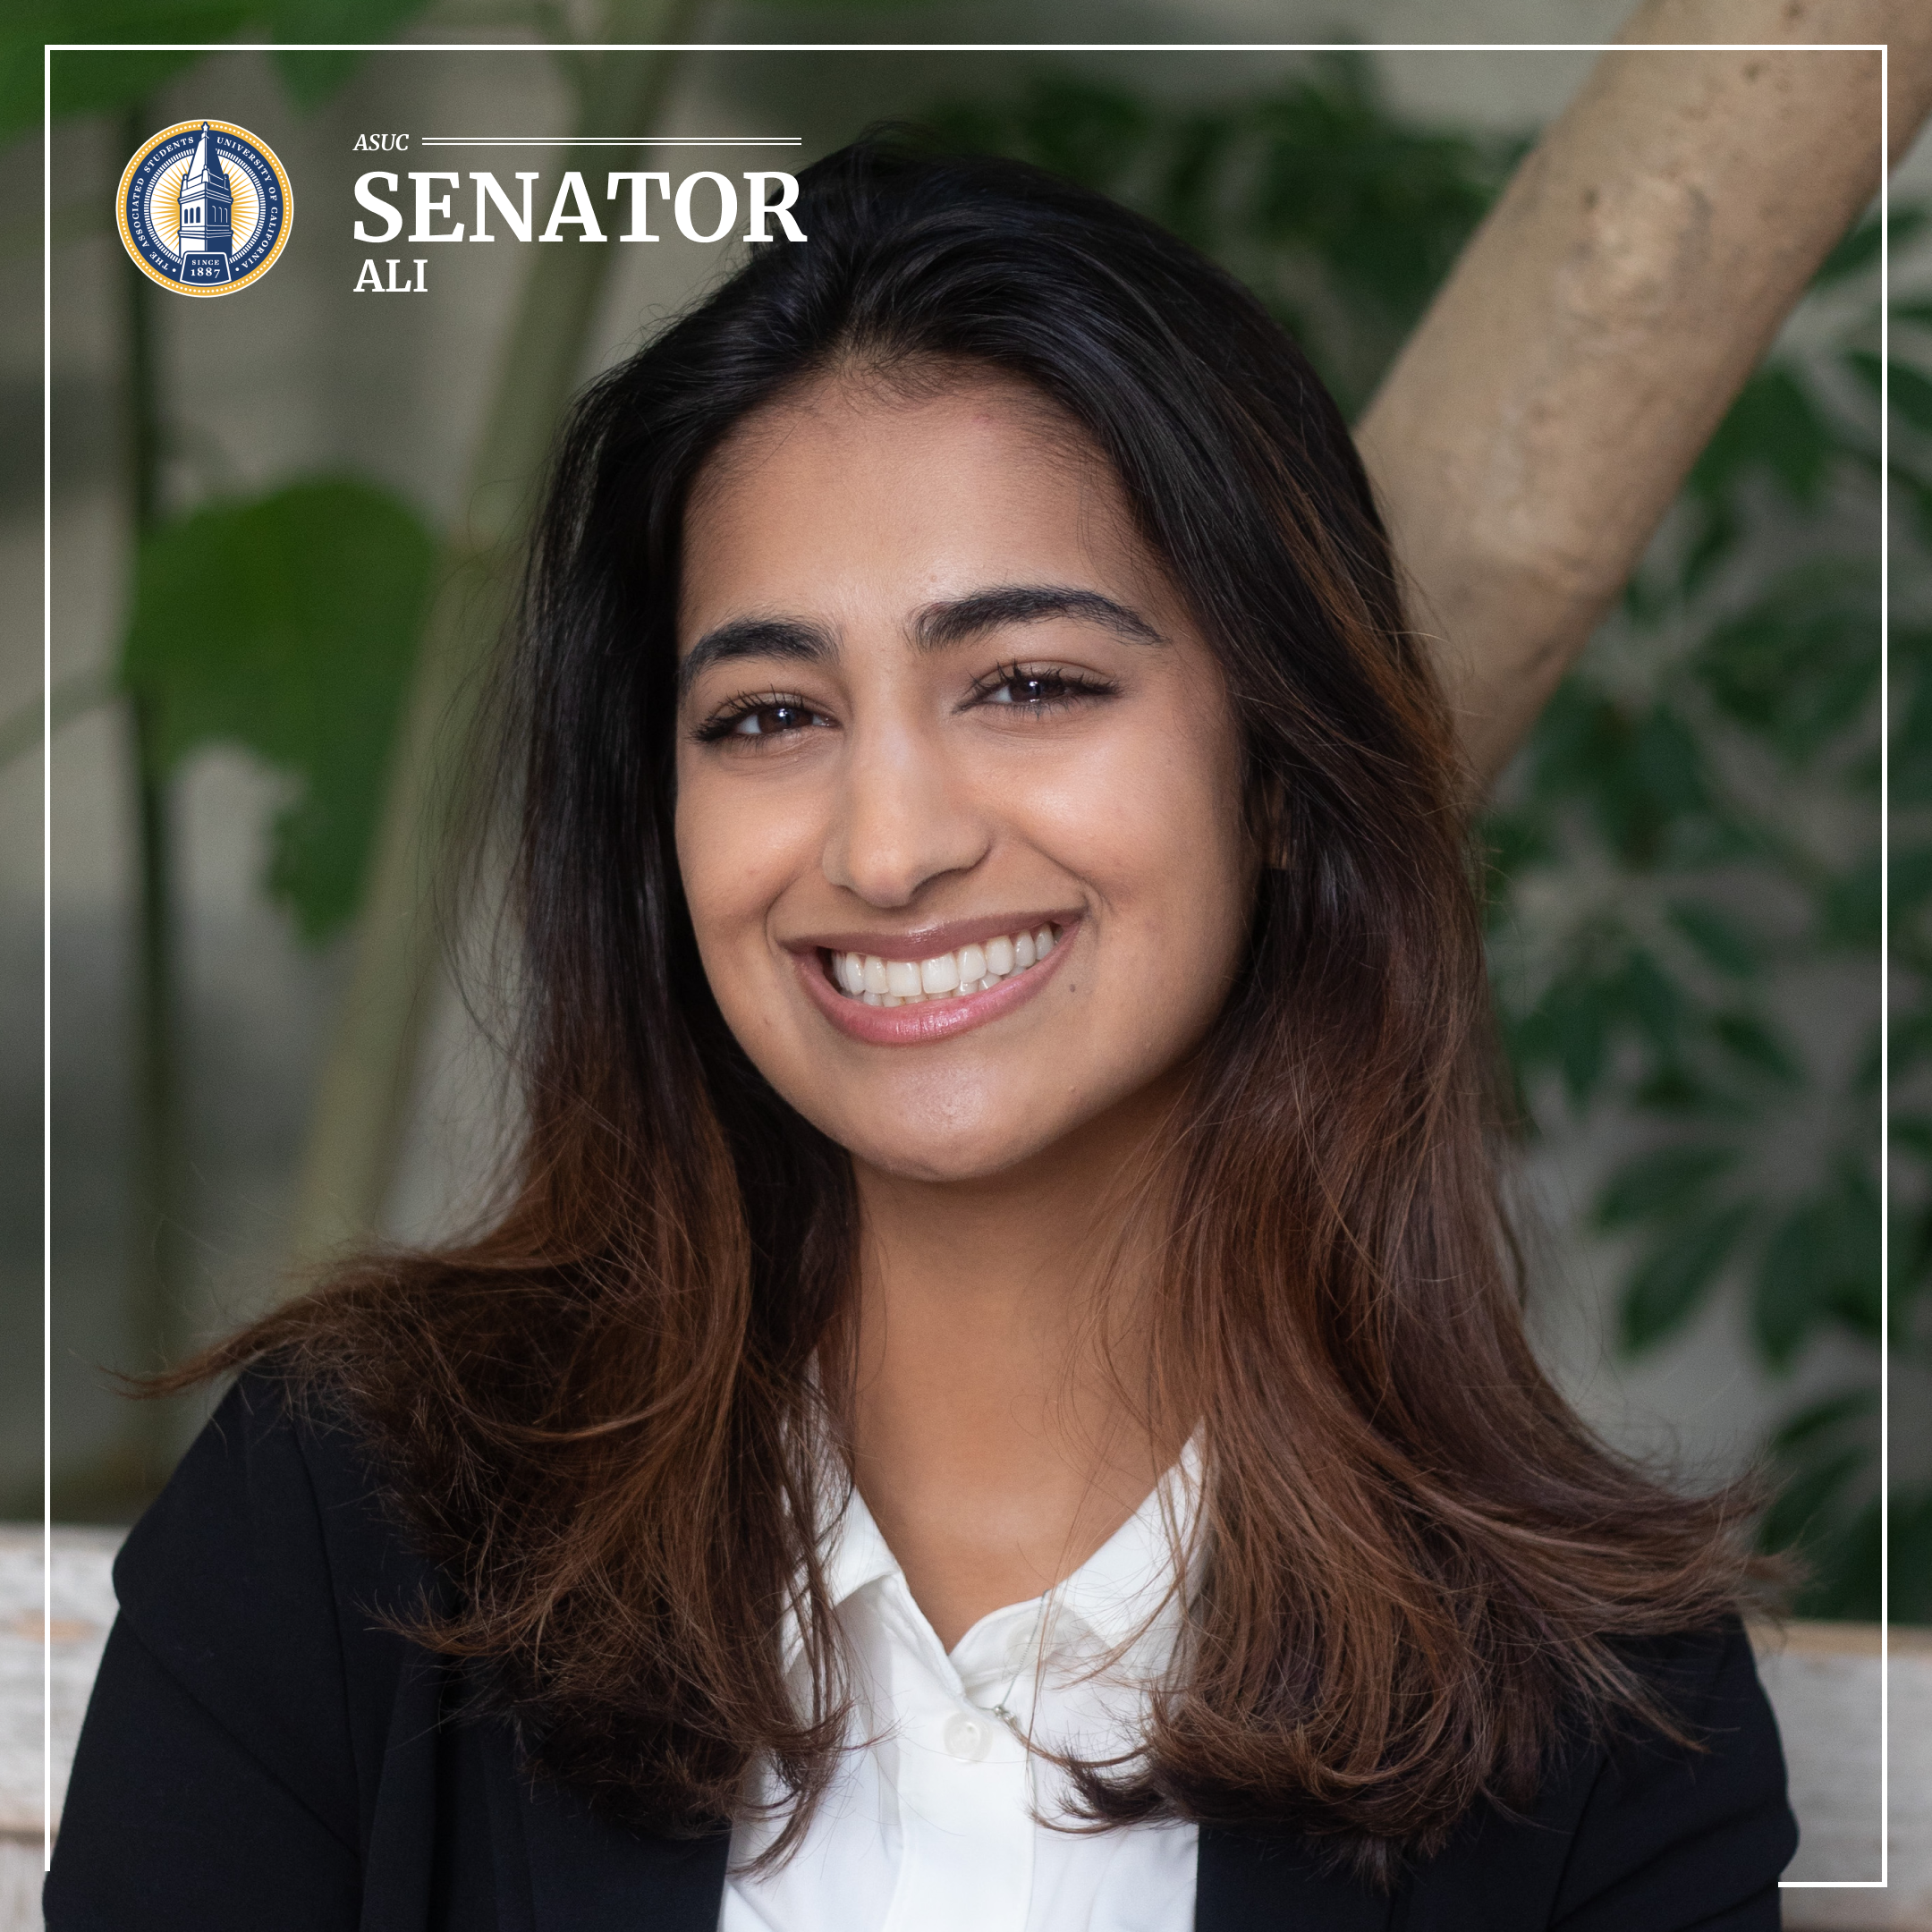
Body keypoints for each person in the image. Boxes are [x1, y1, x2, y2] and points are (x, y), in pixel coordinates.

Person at [46, 136, 1795, 1931]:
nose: (888, 847)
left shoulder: (1604, 1719)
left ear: (1278, 769)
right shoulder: (346, 1524)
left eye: (1030, 683)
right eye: (768, 712)